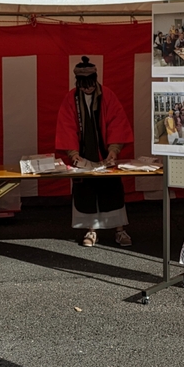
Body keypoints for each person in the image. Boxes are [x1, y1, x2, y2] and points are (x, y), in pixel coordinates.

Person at [55, 56, 134, 247]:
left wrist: (114, 150)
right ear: (78, 84)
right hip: (83, 155)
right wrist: (73, 154)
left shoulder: (108, 95)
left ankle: (120, 230)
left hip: (105, 153)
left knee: (112, 192)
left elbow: (117, 123)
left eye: (90, 85)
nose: (88, 89)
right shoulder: (70, 99)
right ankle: (91, 231)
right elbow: (67, 126)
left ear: (96, 80)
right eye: (84, 86)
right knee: (87, 193)